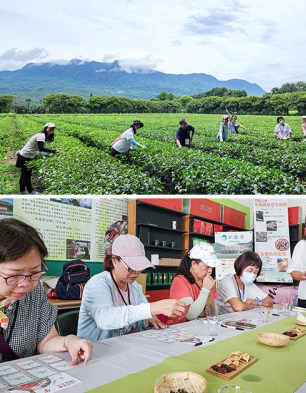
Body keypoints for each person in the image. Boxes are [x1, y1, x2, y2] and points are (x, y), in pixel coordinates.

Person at [0, 218, 93, 364]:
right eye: (13, 275)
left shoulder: (34, 291)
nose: (25, 284)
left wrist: (69, 341)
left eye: (34, 272)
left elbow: (46, 341)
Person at [78, 235, 187, 341]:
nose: (136, 273)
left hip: (125, 347)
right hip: (96, 352)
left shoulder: (134, 286)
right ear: (115, 260)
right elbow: (105, 319)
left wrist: (149, 318)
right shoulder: (97, 284)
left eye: (140, 268)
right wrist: (151, 308)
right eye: (131, 267)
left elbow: (143, 315)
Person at [165, 243, 220, 325]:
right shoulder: (180, 281)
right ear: (194, 264)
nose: (210, 271)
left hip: (203, 328)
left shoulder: (208, 282)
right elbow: (190, 315)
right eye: (207, 267)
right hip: (180, 330)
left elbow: (214, 313)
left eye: (212, 267)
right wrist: (205, 290)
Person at [16, 122, 59, 194]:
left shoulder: (42, 135)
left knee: (24, 173)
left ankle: (22, 190)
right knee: (27, 174)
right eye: (50, 128)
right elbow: (41, 148)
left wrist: (48, 150)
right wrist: (53, 151)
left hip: (25, 155)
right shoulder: (41, 136)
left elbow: (40, 147)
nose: (51, 130)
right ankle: (30, 191)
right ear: (46, 128)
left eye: (53, 128)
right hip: (25, 156)